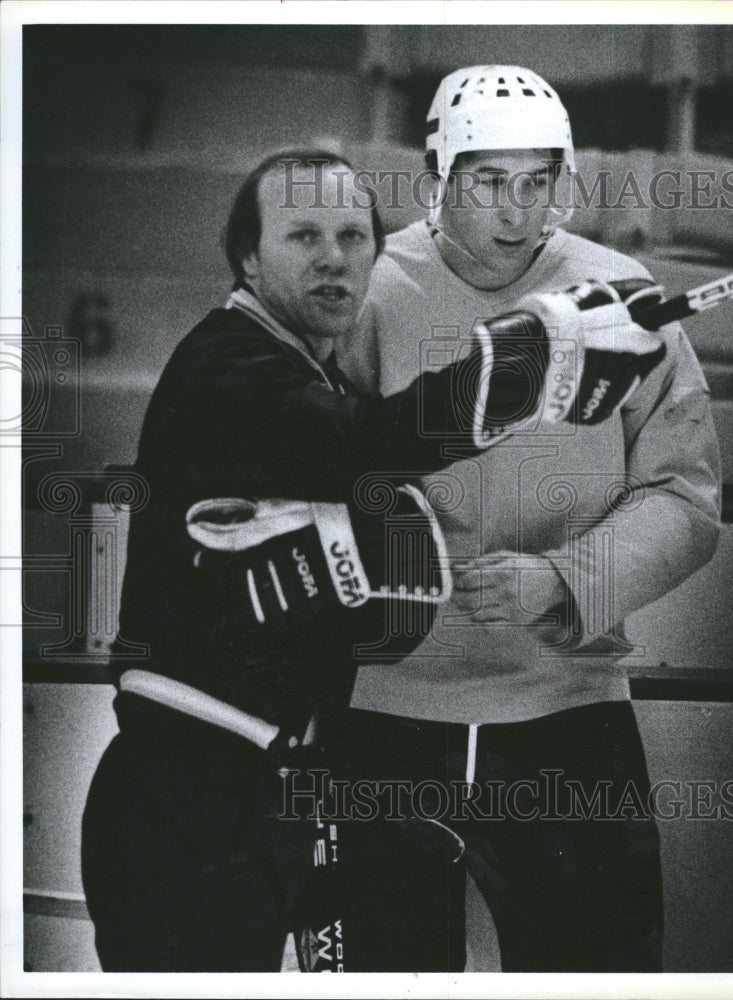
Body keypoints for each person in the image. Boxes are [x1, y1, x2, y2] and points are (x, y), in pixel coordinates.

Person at [80, 147, 659, 972]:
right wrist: (529, 358)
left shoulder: (296, 370)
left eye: (355, 235)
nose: (334, 256)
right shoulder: (228, 366)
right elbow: (366, 445)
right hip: (186, 794)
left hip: (261, 790)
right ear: (247, 257)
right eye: (303, 234)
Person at [335, 65, 722, 971]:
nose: (517, 211)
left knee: (603, 973)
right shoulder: (363, 292)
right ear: (437, 178)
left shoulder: (620, 294)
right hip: (380, 721)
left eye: (536, 181)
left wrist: (564, 579)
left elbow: (684, 494)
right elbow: (306, 470)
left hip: (569, 713)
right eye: (488, 181)